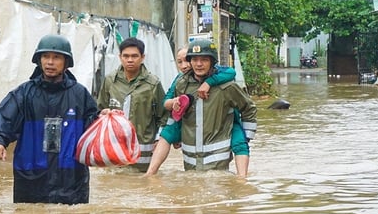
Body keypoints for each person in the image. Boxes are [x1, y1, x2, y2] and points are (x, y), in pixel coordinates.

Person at [0, 34, 99, 204]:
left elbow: (93, 127)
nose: (50, 62)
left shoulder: (80, 95)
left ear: (66, 63)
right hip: (31, 181)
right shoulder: (23, 94)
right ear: (39, 60)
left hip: (71, 180)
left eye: (56, 57)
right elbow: (4, 121)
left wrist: (105, 119)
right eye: (45, 56)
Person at [144, 45, 249, 177]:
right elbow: (166, 103)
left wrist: (209, 82)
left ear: (212, 62)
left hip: (225, 121)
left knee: (240, 143)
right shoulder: (180, 82)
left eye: (204, 60)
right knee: (167, 133)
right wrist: (175, 102)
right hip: (187, 122)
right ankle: (150, 174)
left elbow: (232, 74)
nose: (185, 66)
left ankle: (242, 180)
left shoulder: (224, 80)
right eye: (180, 62)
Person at [173, 38, 257, 175]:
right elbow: (176, 112)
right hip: (190, 162)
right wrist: (175, 136)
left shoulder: (227, 87)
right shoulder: (181, 85)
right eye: (194, 60)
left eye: (204, 60)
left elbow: (248, 108)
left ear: (212, 62)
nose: (199, 64)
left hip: (218, 162)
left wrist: (246, 136)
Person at [96, 37, 169, 172]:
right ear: (120, 57)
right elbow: (100, 109)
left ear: (142, 57)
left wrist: (159, 139)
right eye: (126, 56)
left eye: (134, 56)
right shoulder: (110, 81)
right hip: (114, 153)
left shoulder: (153, 84)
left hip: (142, 158)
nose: (130, 60)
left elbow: (163, 116)